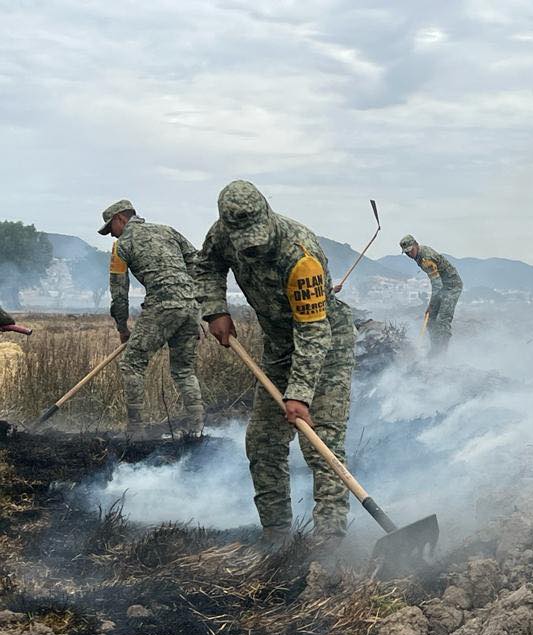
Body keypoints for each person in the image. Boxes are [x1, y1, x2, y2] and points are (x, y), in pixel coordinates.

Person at [194, 180, 355, 549]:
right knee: (263, 442)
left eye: (258, 236)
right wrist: (215, 309)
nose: (253, 246)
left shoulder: (301, 256)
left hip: (325, 347)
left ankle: (329, 543)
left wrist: (299, 395)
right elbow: (207, 266)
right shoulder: (222, 233)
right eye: (243, 239)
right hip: (280, 347)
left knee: (322, 444)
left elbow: (314, 333)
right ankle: (277, 539)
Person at [98, 199, 204, 437]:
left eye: (110, 229)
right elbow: (196, 262)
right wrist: (195, 302)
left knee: (131, 364)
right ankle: (197, 427)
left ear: (120, 219)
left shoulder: (121, 245)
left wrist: (122, 327)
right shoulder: (167, 230)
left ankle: (136, 430)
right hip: (190, 308)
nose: (111, 236)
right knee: (184, 370)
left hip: (162, 307)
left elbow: (119, 291)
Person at [399, 234, 463, 355]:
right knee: (430, 320)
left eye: (410, 251)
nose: (409, 255)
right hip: (443, 286)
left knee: (442, 321)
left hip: (452, 286)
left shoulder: (426, 259)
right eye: (406, 253)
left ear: (416, 245)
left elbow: (437, 286)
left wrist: (431, 306)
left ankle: (441, 354)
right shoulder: (419, 253)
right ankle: (435, 349)